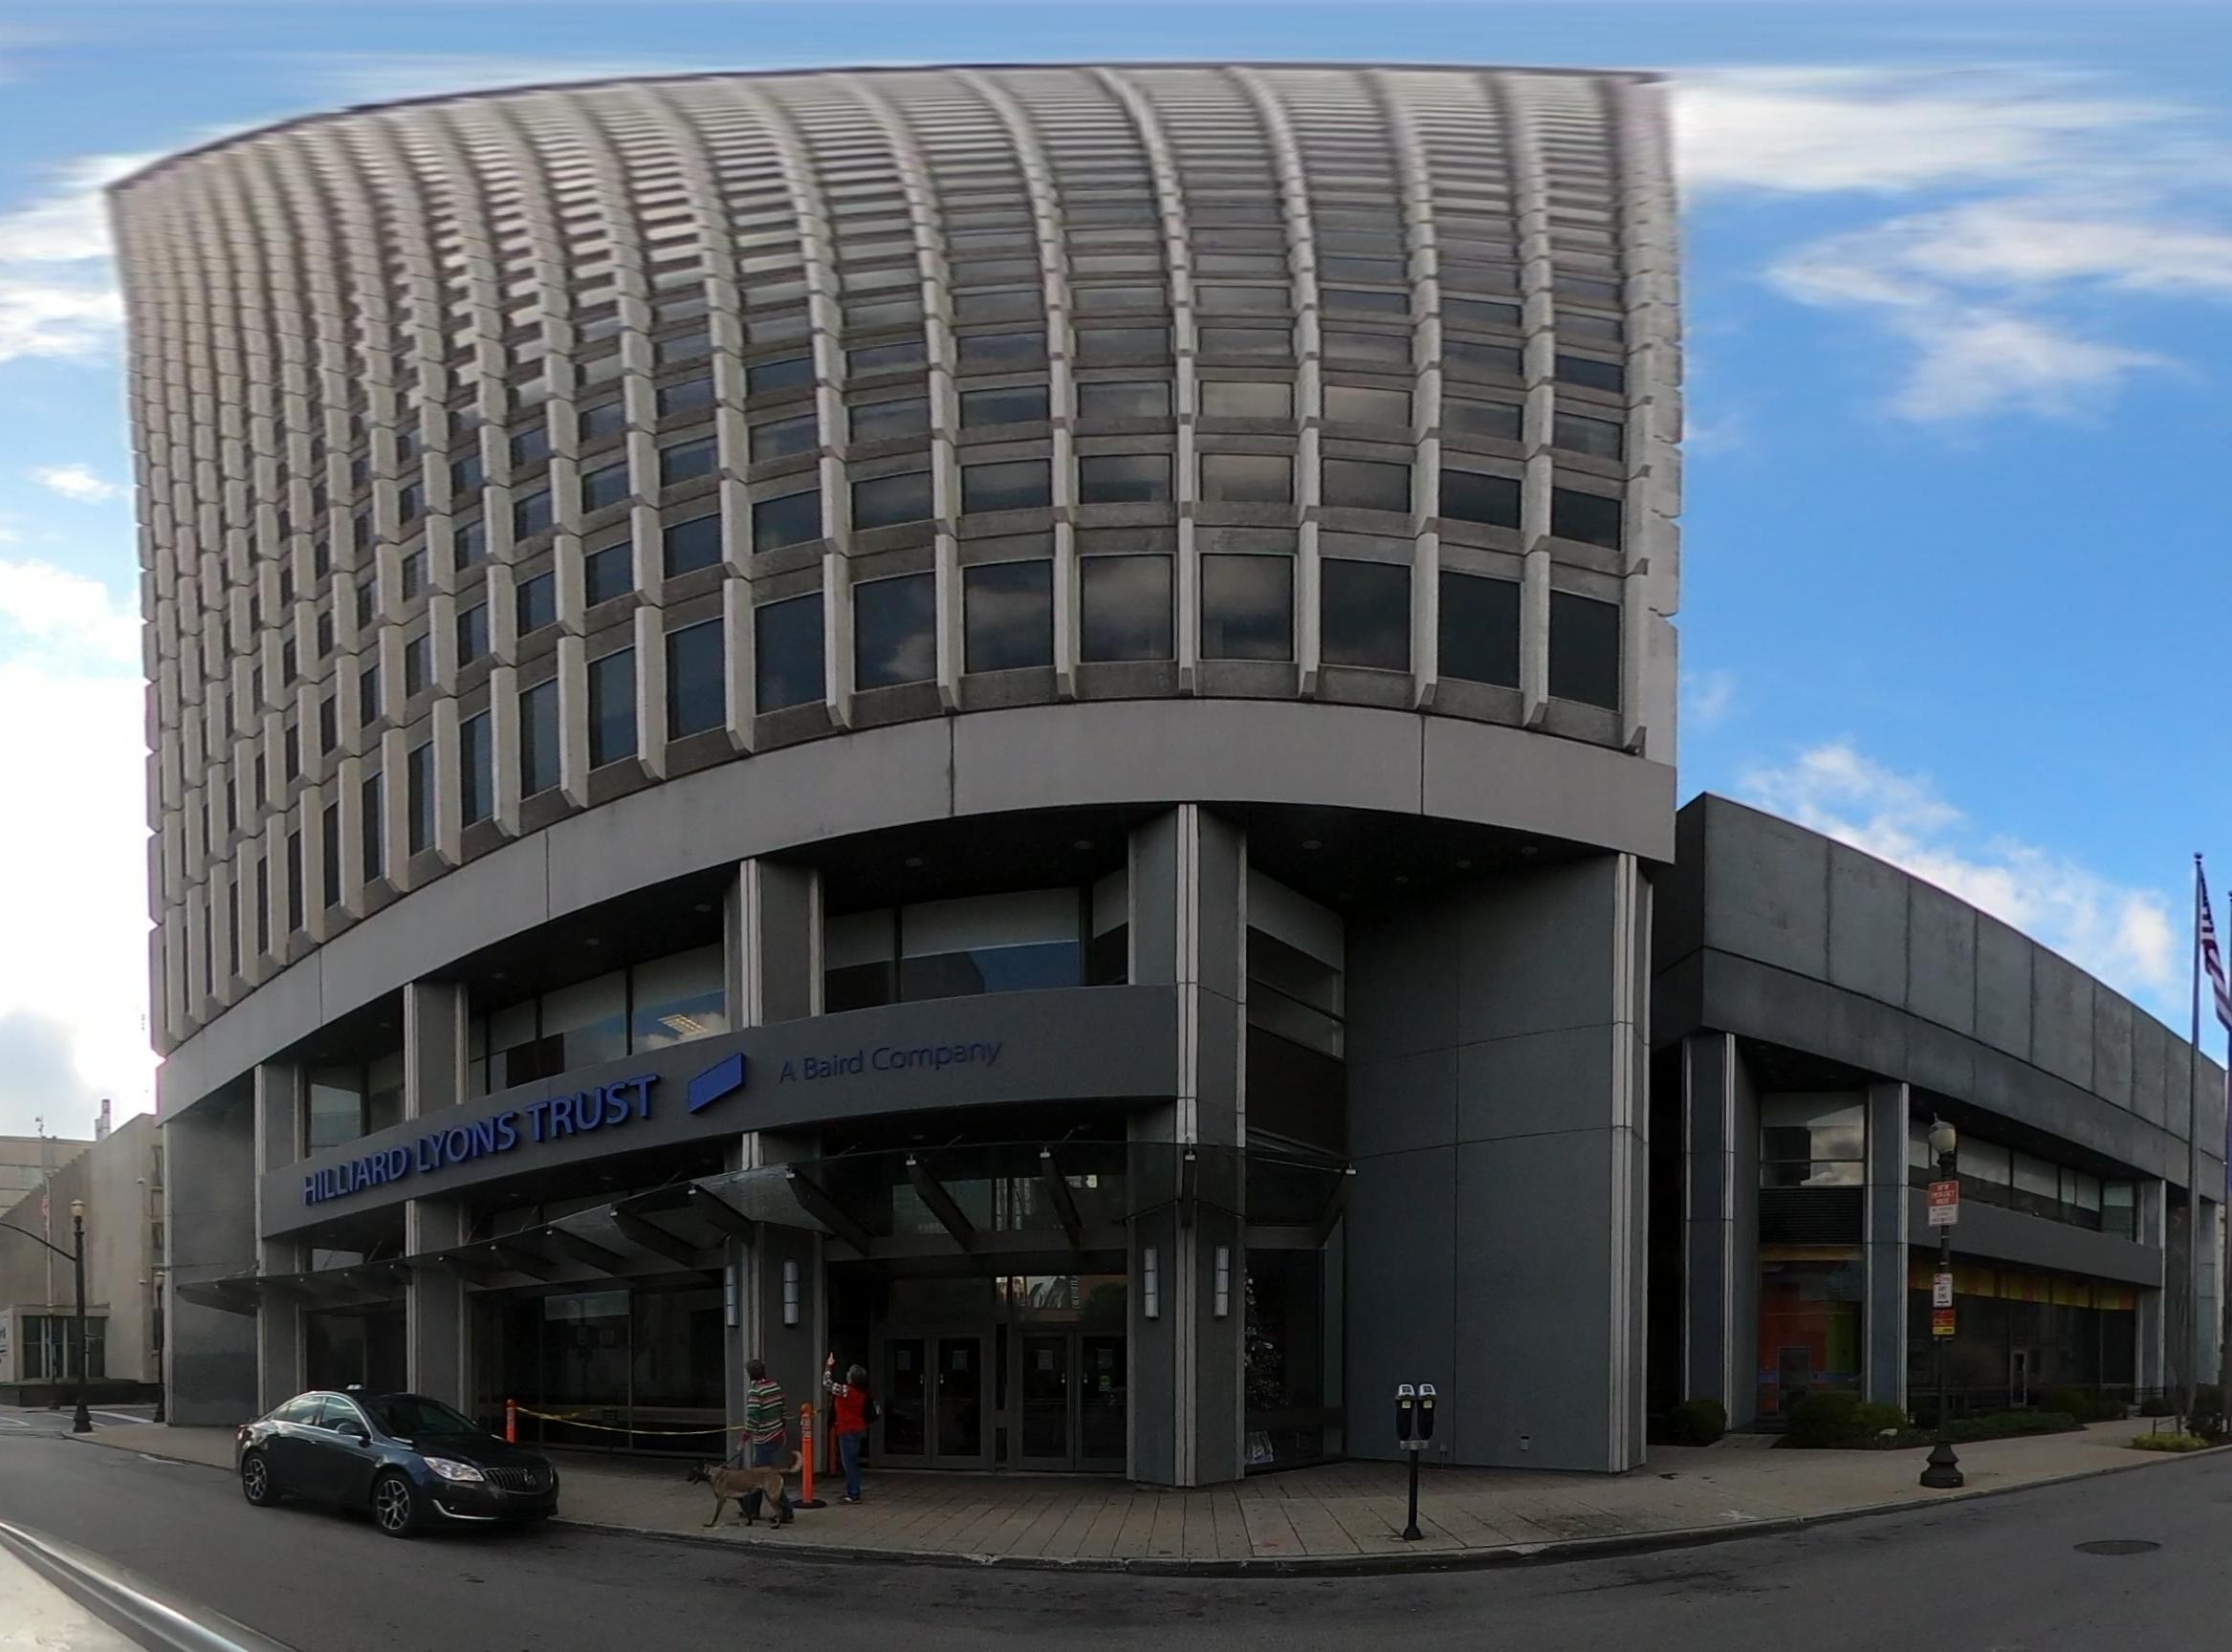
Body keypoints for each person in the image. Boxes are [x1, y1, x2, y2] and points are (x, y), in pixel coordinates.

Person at [736, 1357, 788, 1524]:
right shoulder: (774, 1386)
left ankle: (786, 1512)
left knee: (766, 1478)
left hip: (764, 1438)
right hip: (777, 1435)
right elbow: (783, 1409)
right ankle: (752, 1511)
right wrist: (781, 1427)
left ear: (749, 1374)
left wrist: (744, 1439)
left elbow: (753, 1418)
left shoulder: (755, 1392)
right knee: (758, 1476)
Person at [824, 1354, 872, 1505]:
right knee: (853, 1461)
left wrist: (829, 1366)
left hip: (846, 1429)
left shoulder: (846, 1390)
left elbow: (827, 1383)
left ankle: (853, 1494)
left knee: (849, 1463)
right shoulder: (863, 1392)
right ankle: (852, 1491)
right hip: (858, 1428)